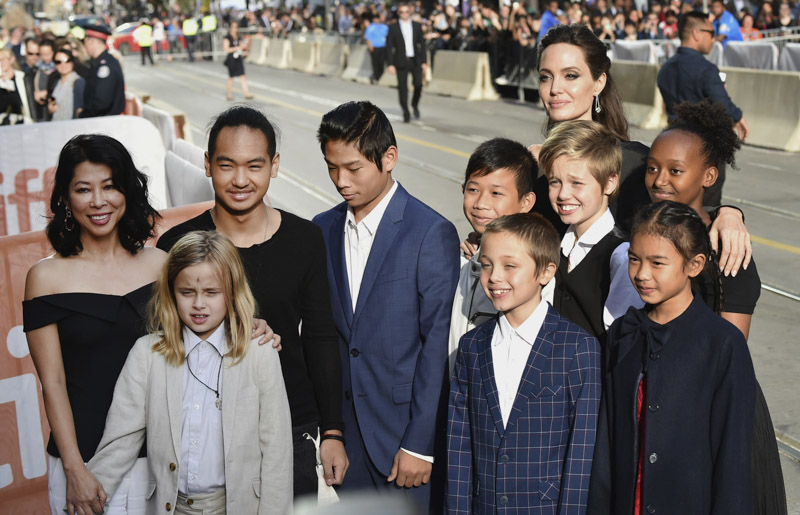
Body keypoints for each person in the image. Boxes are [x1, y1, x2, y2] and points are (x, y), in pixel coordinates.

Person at [157, 106, 347, 500]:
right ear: (207, 165)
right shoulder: (175, 245)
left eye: (254, 165)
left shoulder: (304, 239)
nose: (240, 180)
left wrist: (330, 431)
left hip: (291, 426)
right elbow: (162, 340)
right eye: (227, 165)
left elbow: (320, 336)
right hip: (202, 430)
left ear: (274, 165)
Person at [313, 101, 459, 513]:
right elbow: (328, 339)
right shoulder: (321, 228)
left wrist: (419, 444)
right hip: (347, 446)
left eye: (354, 168)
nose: (341, 180)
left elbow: (436, 347)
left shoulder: (430, 232)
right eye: (331, 167)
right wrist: (332, 432)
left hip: (404, 443)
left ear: (389, 157)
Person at [83, 231, 293, 515]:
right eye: (186, 292)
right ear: (170, 292)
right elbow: (119, 442)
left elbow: (277, 452)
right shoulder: (147, 353)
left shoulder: (260, 352)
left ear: (232, 293)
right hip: (172, 507)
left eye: (212, 292)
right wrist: (86, 498)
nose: (198, 304)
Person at [644, 99, 787, 515]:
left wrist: (729, 213)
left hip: (715, 406)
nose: (659, 179)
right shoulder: (639, 236)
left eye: (675, 170)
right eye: (652, 168)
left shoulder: (728, 250)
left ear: (709, 176)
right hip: (657, 401)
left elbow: (729, 353)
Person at [528, 23, 751, 278]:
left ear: (599, 82)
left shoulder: (633, 163)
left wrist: (728, 213)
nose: (555, 88)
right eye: (546, 76)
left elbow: (684, 213)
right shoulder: (530, 165)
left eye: (570, 75)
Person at [23, 135, 165, 515]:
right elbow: (51, 383)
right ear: (66, 199)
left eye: (110, 186)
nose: (99, 201)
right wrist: (74, 470)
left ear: (127, 191)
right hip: (86, 466)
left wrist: (253, 325)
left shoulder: (160, 265)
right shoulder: (44, 277)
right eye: (84, 189)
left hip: (164, 458)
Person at [587, 201, 756, 515]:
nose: (641, 274)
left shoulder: (722, 344)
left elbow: (734, 458)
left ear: (694, 265)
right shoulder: (624, 332)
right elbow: (607, 442)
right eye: (634, 260)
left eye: (657, 263)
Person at [446, 213, 600, 513]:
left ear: (546, 272)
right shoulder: (471, 347)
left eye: (510, 266)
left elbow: (581, 455)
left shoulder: (578, 348)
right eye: (487, 265)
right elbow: (459, 447)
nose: (495, 277)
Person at [538, 120, 643, 342]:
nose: (563, 194)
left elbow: (622, 342)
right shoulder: (553, 242)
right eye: (554, 182)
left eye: (577, 183)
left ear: (610, 183)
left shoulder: (621, 257)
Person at [447, 137, 537, 374]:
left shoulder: (533, 273)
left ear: (526, 202)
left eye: (496, 193)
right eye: (473, 190)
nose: (481, 203)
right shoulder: (461, 259)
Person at [657, 11, 748, 206]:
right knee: (707, 208)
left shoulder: (665, 69)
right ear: (697, 33)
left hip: (672, 143)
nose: (713, 38)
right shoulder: (706, 70)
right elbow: (723, 105)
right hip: (704, 149)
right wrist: (739, 116)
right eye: (710, 32)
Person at [386, 2, 428, 123]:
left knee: (418, 84)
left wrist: (424, 61)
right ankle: (405, 111)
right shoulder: (393, 27)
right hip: (400, 61)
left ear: (410, 12)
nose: (405, 14)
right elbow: (389, 47)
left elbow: (422, 45)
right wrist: (390, 64)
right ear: (398, 13)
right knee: (403, 88)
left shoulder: (416, 26)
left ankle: (414, 104)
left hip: (415, 60)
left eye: (407, 11)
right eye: (402, 12)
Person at [78, 25, 125, 118]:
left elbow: (101, 102)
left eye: (85, 42)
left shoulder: (105, 66)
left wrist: (83, 114)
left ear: (91, 41)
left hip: (103, 121)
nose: (84, 46)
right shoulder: (99, 63)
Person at [48, 49, 85, 121]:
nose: (63, 65)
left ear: (73, 62)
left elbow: (80, 110)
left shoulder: (78, 82)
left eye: (67, 61)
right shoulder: (56, 83)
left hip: (72, 127)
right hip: (56, 126)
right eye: (58, 62)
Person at [0, 47, 32, 124]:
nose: (0, 63)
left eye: (2, 59)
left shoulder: (23, 78)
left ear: (12, 59)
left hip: (21, 124)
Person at [222, 22, 253, 101]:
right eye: (234, 27)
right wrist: (236, 48)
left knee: (242, 76)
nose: (235, 28)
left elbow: (241, 46)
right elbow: (226, 49)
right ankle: (229, 94)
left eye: (236, 27)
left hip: (238, 58)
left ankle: (247, 93)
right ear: (230, 28)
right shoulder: (227, 38)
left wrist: (244, 48)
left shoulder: (238, 37)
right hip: (231, 59)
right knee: (231, 77)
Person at [33, 39, 58, 122]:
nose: (45, 58)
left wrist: (46, 93)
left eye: (47, 54)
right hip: (41, 113)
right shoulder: (36, 69)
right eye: (42, 54)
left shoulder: (60, 68)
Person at [364, 12, 389, 83]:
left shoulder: (384, 27)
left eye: (377, 18)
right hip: (374, 47)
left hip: (383, 47)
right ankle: (376, 77)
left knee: (381, 63)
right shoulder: (370, 27)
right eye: (375, 18)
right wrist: (370, 46)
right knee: (375, 63)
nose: (376, 20)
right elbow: (368, 38)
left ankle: (380, 76)